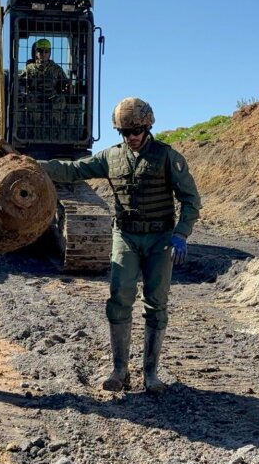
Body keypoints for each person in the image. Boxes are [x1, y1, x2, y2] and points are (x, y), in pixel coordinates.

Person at [37, 97, 201, 394]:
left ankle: (150, 373)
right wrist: (35, 165)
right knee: (119, 297)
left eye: (136, 130)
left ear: (148, 125)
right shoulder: (110, 157)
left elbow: (191, 200)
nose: (132, 137)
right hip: (125, 236)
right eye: (125, 132)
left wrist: (182, 233)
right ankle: (119, 369)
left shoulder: (167, 157)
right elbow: (73, 170)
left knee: (156, 302)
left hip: (160, 240)